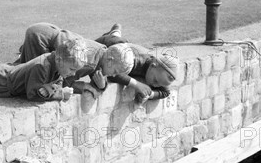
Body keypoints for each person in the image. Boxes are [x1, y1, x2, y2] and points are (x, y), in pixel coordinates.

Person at [17, 22, 178, 104]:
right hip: (41, 38)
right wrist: (84, 87)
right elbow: (64, 80)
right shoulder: (89, 62)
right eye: (155, 80)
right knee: (30, 80)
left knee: (28, 70)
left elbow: (104, 74)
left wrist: (100, 86)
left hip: (51, 37)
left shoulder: (101, 60)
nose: (113, 76)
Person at [95, 24, 179, 104]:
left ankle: (115, 32)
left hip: (126, 47)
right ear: (153, 66)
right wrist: (136, 84)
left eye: (159, 84)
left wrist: (150, 94)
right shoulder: (137, 60)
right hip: (112, 45)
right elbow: (113, 72)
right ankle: (115, 32)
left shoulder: (159, 74)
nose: (155, 85)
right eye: (155, 81)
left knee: (120, 40)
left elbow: (166, 92)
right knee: (115, 41)